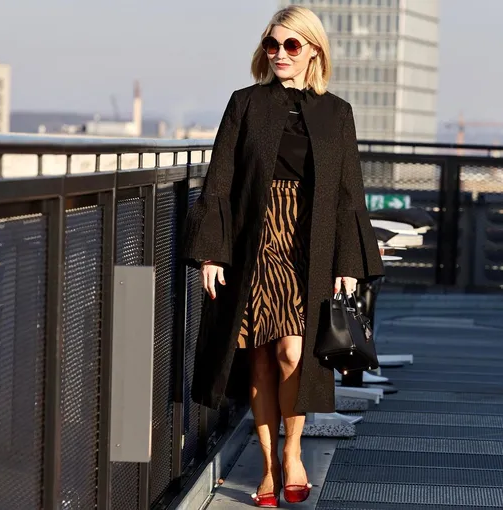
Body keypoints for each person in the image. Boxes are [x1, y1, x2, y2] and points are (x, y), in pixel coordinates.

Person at [182, 6, 384, 507]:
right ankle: (270, 466)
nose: (279, 54)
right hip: (256, 241)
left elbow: (348, 194)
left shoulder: (337, 112)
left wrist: (347, 264)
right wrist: (211, 255)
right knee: (261, 356)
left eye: (291, 45)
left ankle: (292, 452)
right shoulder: (245, 103)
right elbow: (220, 181)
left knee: (294, 352)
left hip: (308, 244)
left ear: (314, 50)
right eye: (272, 45)